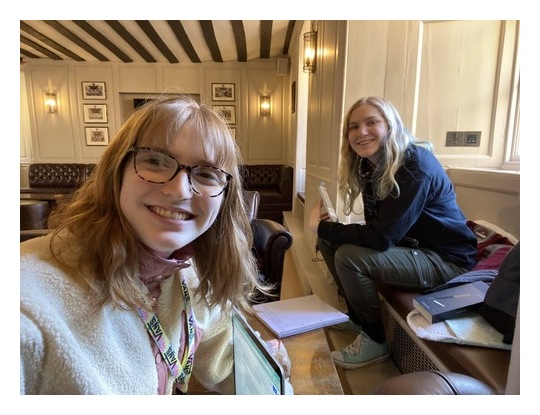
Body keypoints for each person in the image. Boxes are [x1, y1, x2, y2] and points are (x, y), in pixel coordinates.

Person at [20, 96, 271, 394]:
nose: (179, 190)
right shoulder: (28, 296)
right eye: (154, 160)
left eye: (205, 173)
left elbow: (225, 359)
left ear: (224, 198)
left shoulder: (187, 274)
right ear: (117, 170)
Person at [309, 96, 477, 369]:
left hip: (446, 260)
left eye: (371, 122)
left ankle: (375, 340)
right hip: (413, 246)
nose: (361, 132)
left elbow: (380, 238)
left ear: (390, 125)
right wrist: (328, 231)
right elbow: (382, 228)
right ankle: (359, 317)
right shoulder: (370, 165)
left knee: (348, 255)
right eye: (353, 126)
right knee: (329, 239)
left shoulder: (415, 165)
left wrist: (323, 225)